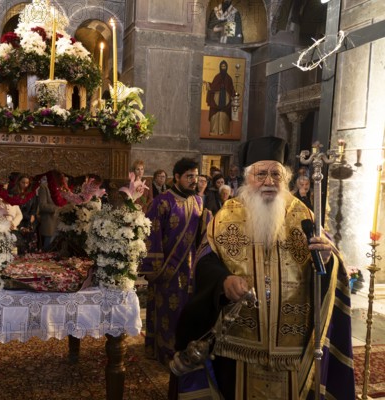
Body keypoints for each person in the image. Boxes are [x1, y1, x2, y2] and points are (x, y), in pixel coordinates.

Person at [172, 137, 355, 399]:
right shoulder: (226, 217)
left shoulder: (303, 215)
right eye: (261, 174)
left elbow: (330, 267)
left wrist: (327, 258)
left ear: (285, 178)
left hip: (293, 347)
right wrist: (224, 282)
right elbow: (204, 264)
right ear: (248, 178)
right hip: (238, 344)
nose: (269, 181)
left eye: (275, 174)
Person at [140, 158, 210, 366]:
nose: (194, 181)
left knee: (187, 311)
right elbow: (151, 234)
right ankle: (165, 351)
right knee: (167, 311)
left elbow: (200, 233)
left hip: (190, 268)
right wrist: (155, 269)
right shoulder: (161, 201)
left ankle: (185, 350)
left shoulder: (198, 201)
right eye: (189, 177)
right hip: (167, 269)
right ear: (176, 177)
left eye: (196, 177)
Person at [206, 60, 235, 135]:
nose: (223, 68)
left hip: (226, 99)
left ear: (226, 67)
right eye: (222, 66)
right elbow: (213, 87)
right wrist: (208, 84)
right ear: (220, 67)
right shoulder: (217, 77)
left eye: (224, 66)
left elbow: (231, 88)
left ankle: (223, 131)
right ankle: (214, 131)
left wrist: (232, 95)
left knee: (224, 114)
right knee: (216, 114)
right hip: (217, 98)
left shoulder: (229, 78)